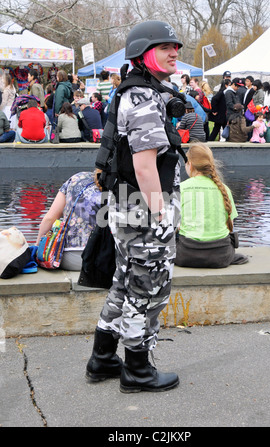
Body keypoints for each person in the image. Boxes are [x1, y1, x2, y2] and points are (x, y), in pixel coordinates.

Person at [87, 20, 183, 393]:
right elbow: (144, 165)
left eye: (175, 45)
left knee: (125, 283)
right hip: (144, 208)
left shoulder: (137, 90)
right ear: (144, 53)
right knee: (149, 289)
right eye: (164, 47)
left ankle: (103, 359)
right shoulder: (144, 96)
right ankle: (138, 370)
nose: (174, 51)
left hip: (128, 204)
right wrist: (160, 215)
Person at [175, 142, 248, 268]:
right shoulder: (224, 189)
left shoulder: (180, 188)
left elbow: (171, 224)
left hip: (185, 255)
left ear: (190, 165)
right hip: (221, 256)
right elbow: (231, 225)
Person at [36, 171, 102, 270]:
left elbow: (49, 219)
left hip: (67, 258)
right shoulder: (122, 185)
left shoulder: (76, 179)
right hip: (103, 261)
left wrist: (37, 248)